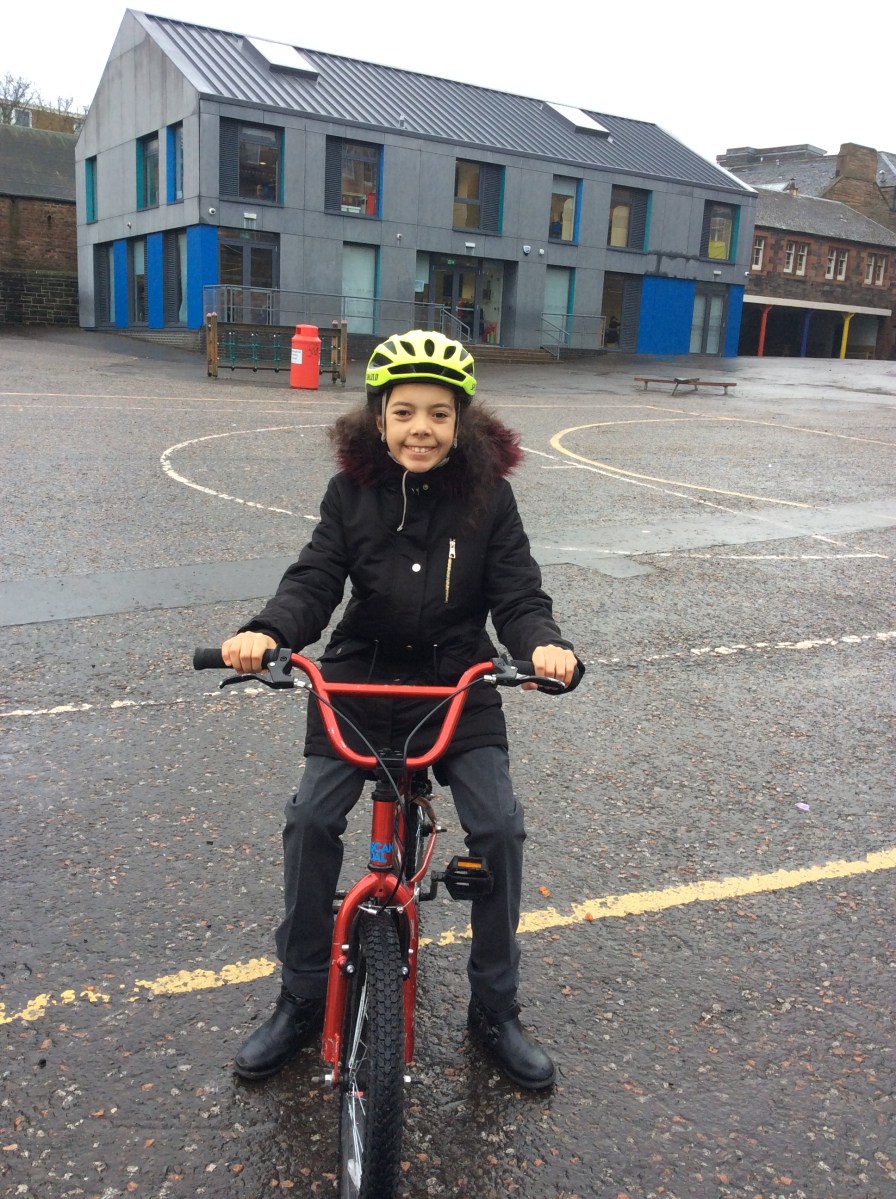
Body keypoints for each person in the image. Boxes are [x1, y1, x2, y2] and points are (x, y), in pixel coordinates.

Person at [221, 329, 582, 1090]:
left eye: (440, 414)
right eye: (405, 412)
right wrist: (268, 632)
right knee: (311, 819)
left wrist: (544, 645)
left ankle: (495, 1008)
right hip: (363, 671)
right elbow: (315, 578)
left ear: (462, 423)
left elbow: (518, 593)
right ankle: (301, 994)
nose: (422, 428)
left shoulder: (490, 498)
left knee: (498, 826)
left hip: (457, 675)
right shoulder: (349, 493)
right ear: (378, 419)